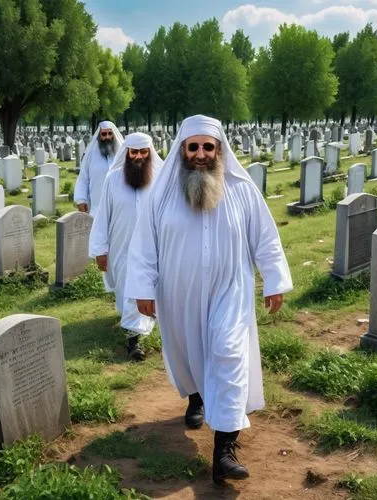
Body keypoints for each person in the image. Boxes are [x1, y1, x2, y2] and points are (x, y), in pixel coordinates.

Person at [125, 115, 292, 484]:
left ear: (219, 150)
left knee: (228, 353)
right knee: (190, 355)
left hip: (230, 290)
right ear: (182, 150)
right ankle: (196, 398)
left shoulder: (242, 192)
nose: (201, 154)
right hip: (178, 295)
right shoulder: (161, 196)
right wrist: (142, 288)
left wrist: (274, 280)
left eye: (208, 147)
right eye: (193, 147)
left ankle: (225, 450)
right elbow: (143, 247)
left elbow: (265, 238)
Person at [89, 133, 163, 361]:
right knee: (128, 293)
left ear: (150, 152)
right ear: (127, 153)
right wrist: (99, 250)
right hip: (122, 250)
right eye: (134, 152)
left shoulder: (161, 179)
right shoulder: (113, 180)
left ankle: (140, 338)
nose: (139, 156)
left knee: (152, 291)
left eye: (143, 152)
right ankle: (134, 337)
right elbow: (102, 217)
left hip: (155, 250)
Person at [74, 120, 124, 216]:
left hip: (119, 208)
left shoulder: (122, 154)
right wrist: (81, 199)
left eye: (110, 133)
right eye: (104, 134)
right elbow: (83, 178)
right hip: (96, 208)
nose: (107, 137)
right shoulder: (90, 155)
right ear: (99, 136)